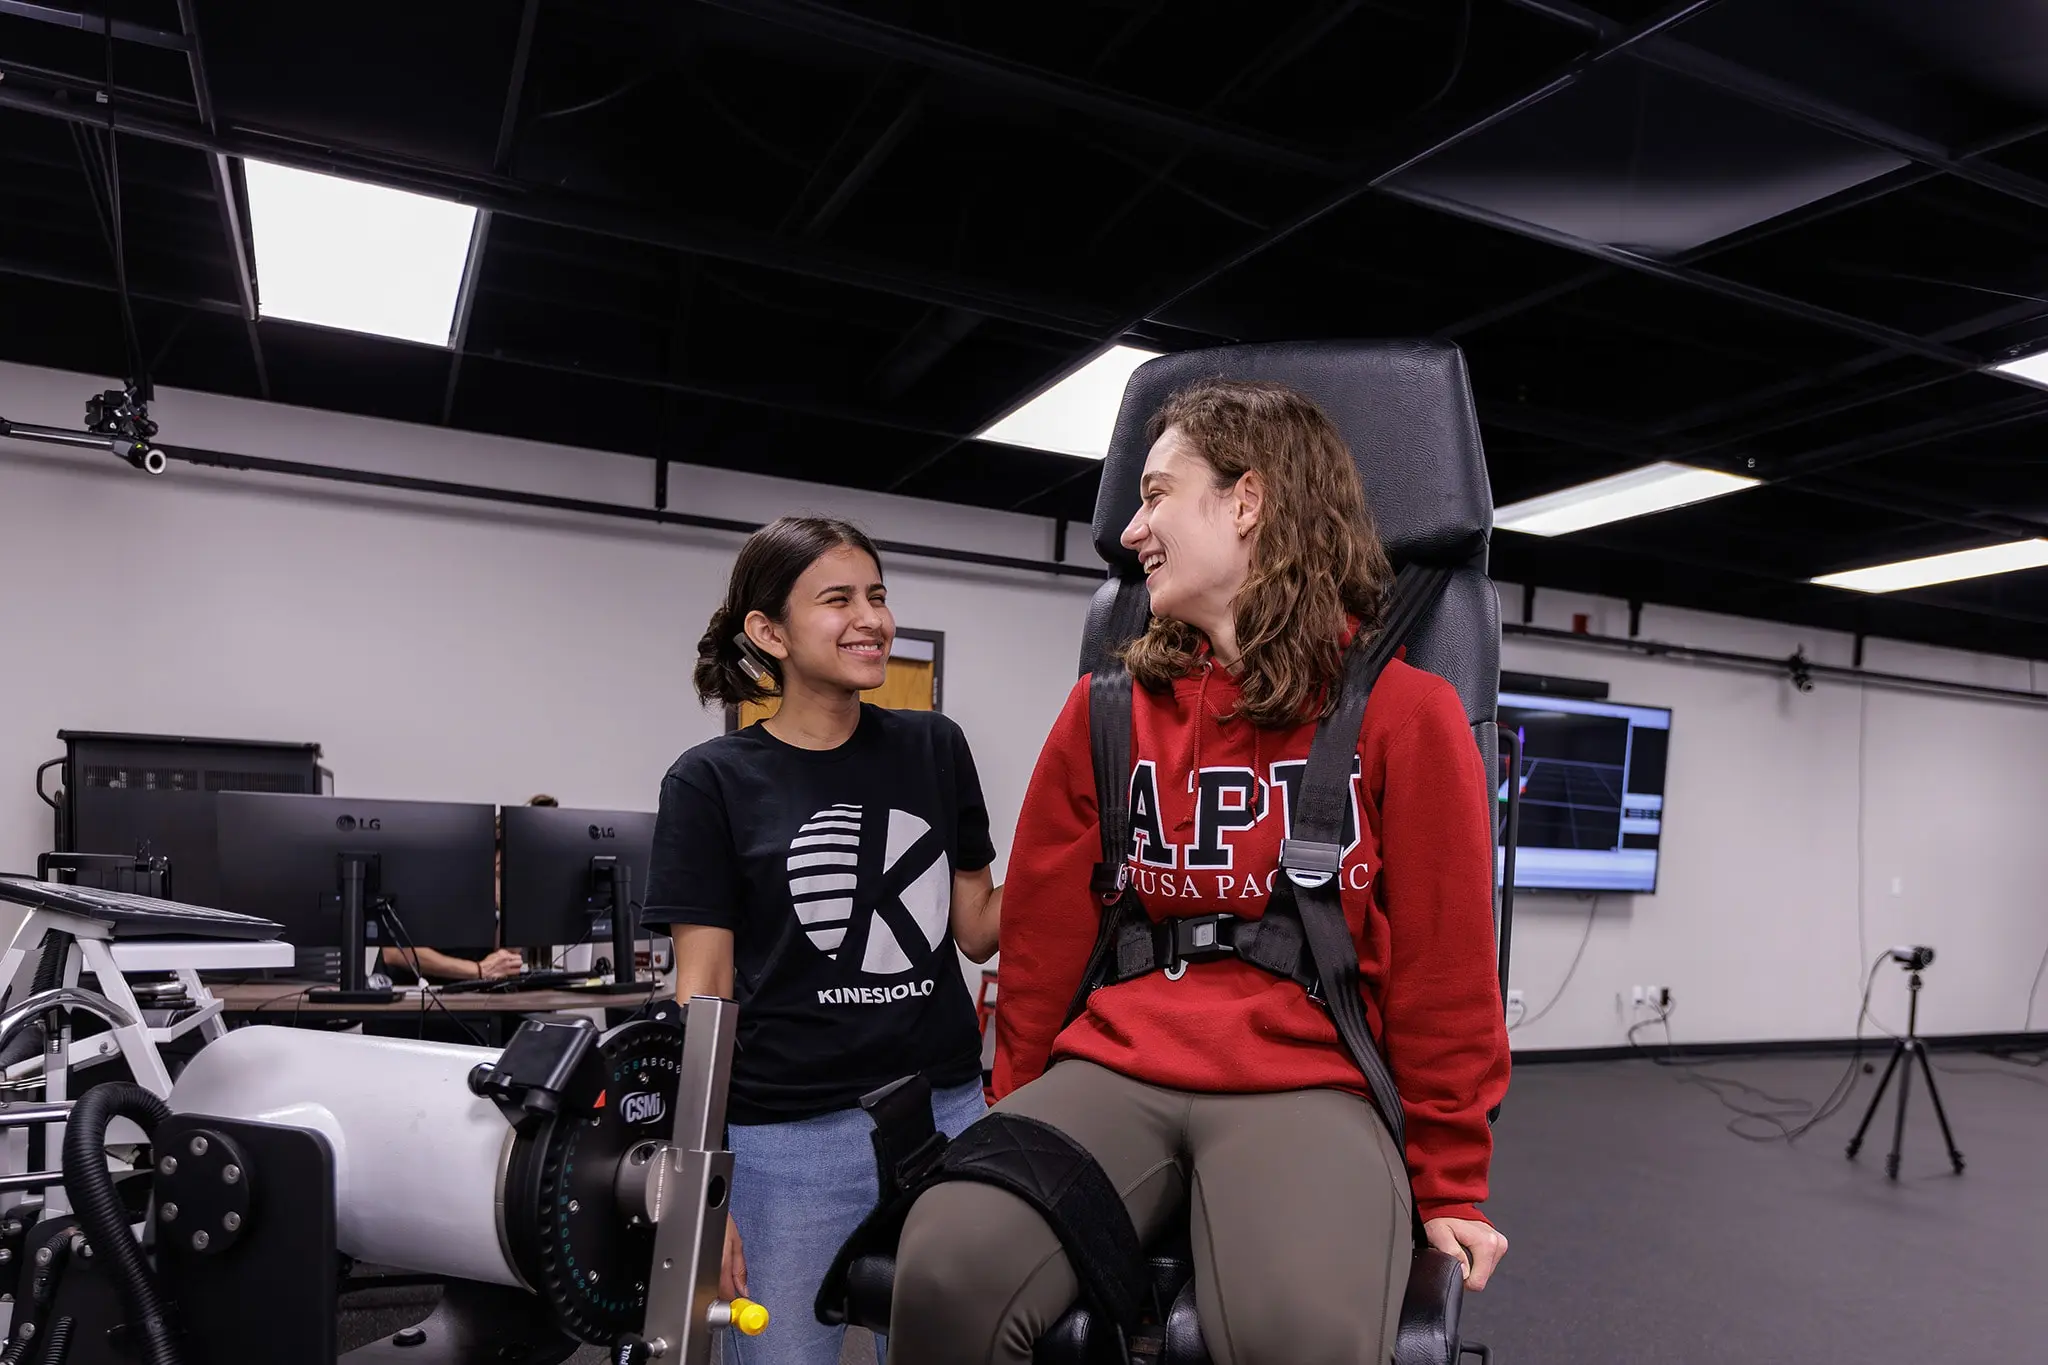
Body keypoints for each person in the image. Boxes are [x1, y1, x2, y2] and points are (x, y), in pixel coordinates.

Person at [888, 380, 1511, 1365]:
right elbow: (1044, 942)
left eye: (1155, 494)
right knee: (944, 1271)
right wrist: (1013, 1112)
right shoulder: (1102, 713)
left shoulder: (1404, 715)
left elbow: (1447, 977)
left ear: (1246, 501)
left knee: (1293, 1333)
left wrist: (1448, 1186)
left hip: (1307, 1081)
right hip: (1111, 1065)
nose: (1131, 529)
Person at [641, 516, 1002, 1365]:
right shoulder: (710, 781)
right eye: (837, 599)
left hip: (945, 1113)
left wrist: (1085, 843)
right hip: (786, 1141)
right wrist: (704, 1181)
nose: (871, 618)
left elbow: (979, 929)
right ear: (769, 631)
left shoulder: (934, 747)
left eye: (877, 595)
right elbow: (706, 988)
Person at [378, 794, 554, 983]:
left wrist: (513, 908)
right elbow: (395, 952)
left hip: (464, 999)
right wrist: (477, 970)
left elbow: (499, 963)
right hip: (405, 996)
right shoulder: (441, 876)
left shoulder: (501, 891)